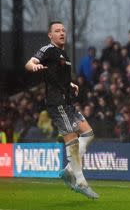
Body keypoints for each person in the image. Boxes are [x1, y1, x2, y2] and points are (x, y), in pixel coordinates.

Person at [25, 21, 99, 199]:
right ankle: (81, 182)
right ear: (50, 35)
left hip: (67, 102)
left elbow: (59, 77)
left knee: (88, 134)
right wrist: (34, 66)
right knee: (72, 140)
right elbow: (30, 62)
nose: (61, 33)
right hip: (57, 103)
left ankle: (67, 171)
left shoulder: (64, 54)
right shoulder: (48, 49)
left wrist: (70, 84)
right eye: (57, 31)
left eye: (63, 30)